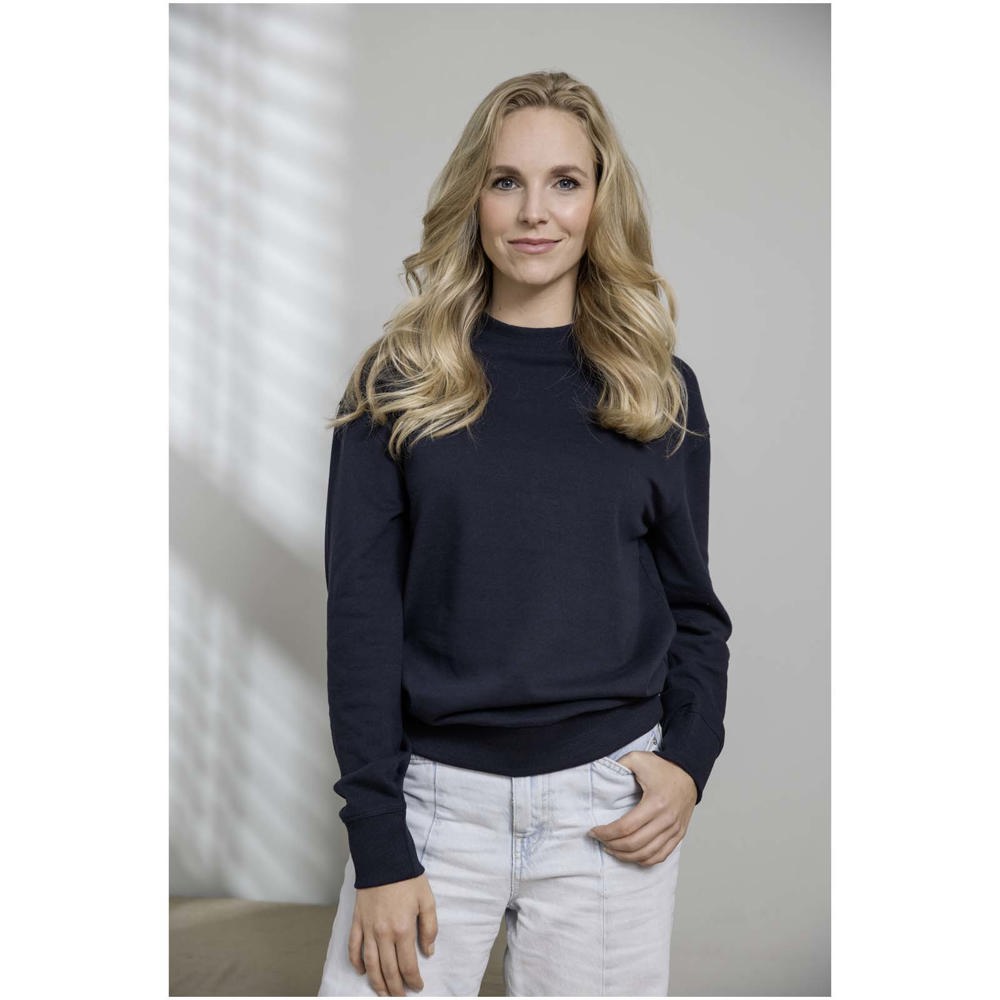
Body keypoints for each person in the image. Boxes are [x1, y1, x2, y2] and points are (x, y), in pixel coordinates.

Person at [317, 70, 733, 998]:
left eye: (564, 182)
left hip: (607, 808)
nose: (534, 211)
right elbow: (362, 621)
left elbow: (695, 612)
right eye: (506, 181)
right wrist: (379, 840)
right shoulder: (397, 384)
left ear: (599, 201)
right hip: (432, 810)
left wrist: (687, 764)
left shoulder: (658, 391)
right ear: (473, 198)